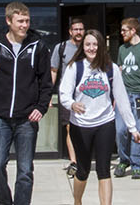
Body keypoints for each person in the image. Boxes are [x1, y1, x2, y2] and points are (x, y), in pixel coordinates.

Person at [0, 2, 54, 205]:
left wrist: (41, 107)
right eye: (20, 21)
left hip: (27, 119)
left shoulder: (38, 46)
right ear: (9, 21)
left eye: (27, 21)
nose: (24, 25)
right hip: (1, 118)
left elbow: (46, 83)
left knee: (25, 171)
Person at [58, 30, 140, 205]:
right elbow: (64, 93)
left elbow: (122, 99)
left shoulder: (110, 68)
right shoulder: (76, 67)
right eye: (88, 44)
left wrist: (132, 127)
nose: (91, 48)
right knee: (83, 170)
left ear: (101, 46)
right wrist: (72, 104)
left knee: (104, 170)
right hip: (80, 125)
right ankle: (77, 200)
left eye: (95, 44)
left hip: (105, 123)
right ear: (83, 47)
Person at [112, 17, 140, 179]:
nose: (122, 33)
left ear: (133, 30)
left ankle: (136, 164)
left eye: (124, 30)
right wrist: (115, 96)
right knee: (120, 131)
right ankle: (124, 160)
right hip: (123, 96)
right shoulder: (122, 49)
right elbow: (119, 72)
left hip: (139, 96)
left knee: (137, 131)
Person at [51, 16, 88, 178]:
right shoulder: (61, 48)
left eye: (81, 29)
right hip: (67, 94)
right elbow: (54, 71)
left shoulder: (90, 47)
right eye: (76, 29)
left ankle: (83, 159)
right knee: (70, 127)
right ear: (70, 31)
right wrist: (47, 95)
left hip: (87, 94)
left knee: (86, 127)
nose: (79, 32)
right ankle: (74, 161)